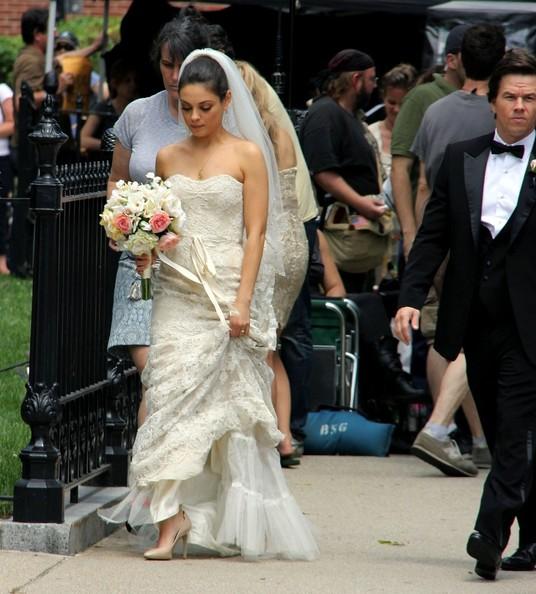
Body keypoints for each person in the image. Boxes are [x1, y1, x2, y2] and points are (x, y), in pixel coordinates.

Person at [100, 49, 319, 562]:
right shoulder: (167, 157)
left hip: (225, 292)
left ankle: (221, 517)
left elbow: (257, 232)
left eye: (205, 107)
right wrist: (146, 241)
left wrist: (244, 301)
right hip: (177, 289)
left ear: (225, 101)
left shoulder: (247, 154)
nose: (195, 118)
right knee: (167, 389)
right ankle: (168, 519)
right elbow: (165, 221)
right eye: (187, 107)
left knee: (226, 409)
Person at [394, 49, 536, 580]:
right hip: (477, 318)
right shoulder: (461, 157)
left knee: (515, 429)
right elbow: (432, 236)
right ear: (492, 102)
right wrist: (409, 295)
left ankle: (489, 533)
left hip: (531, 322)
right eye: (511, 97)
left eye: (530, 98)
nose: (520, 106)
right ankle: (533, 536)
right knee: (503, 427)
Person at [408, 23, 505, 477]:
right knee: (481, 329)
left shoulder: (436, 111)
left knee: (441, 333)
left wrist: (416, 238)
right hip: (490, 241)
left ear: (460, 58)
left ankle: (468, 435)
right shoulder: (506, 112)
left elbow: (424, 181)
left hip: (441, 235)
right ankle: (458, 431)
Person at [106, 16, 209, 425]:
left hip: (192, 262)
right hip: (139, 259)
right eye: (167, 63)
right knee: (151, 364)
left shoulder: (211, 119)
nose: (173, 74)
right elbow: (116, 178)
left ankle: (154, 470)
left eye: (181, 64)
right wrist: (123, 220)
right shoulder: (136, 114)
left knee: (172, 371)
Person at [237, 60, 308, 466]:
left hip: (268, 242)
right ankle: (283, 437)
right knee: (271, 343)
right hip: (294, 239)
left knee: (262, 346)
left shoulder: (242, 140)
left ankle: (271, 437)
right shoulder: (279, 133)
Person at [300, 48, 387, 293]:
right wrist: (361, 203)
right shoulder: (325, 113)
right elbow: (323, 172)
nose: (374, 87)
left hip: (357, 238)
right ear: (356, 79)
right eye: (372, 79)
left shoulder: (351, 117)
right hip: (335, 236)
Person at [368, 64, 417, 178]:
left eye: (403, 104)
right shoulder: (369, 134)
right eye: (391, 103)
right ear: (383, 97)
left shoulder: (421, 137)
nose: (397, 110)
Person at [81, 60, 138, 154]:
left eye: (135, 81)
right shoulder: (103, 107)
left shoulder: (137, 110)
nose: (133, 85)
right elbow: (83, 139)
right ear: (115, 83)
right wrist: (111, 145)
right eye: (127, 81)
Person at [0, 81, 14, 275]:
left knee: (0, 210)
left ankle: (2, 259)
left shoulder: (3, 90)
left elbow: (12, 124)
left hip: (1, 157)